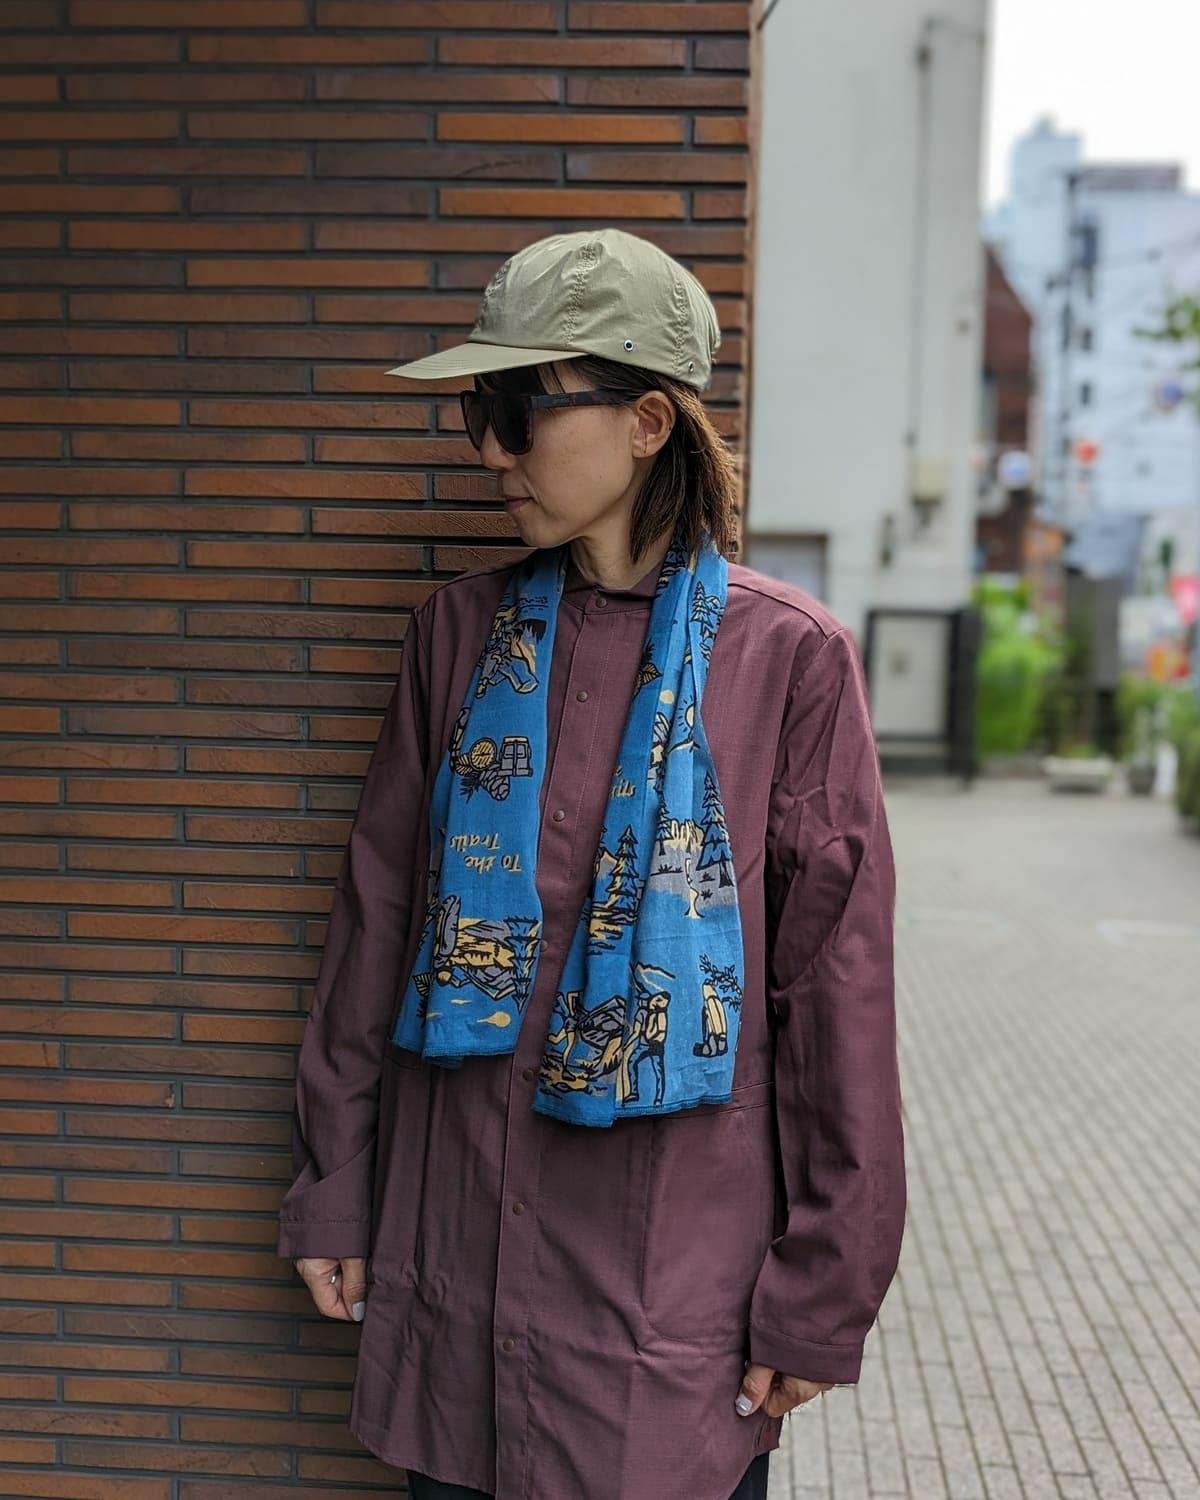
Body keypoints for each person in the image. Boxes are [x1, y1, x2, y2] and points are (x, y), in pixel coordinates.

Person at [277, 228, 906, 1500]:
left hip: (661, 1307)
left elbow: (834, 997)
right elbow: (378, 925)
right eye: (480, 414)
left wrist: (822, 1293)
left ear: (648, 422)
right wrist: (335, 1186)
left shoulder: (787, 661)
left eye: (518, 412)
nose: (492, 451)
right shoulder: (456, 639)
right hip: (453, 1271)